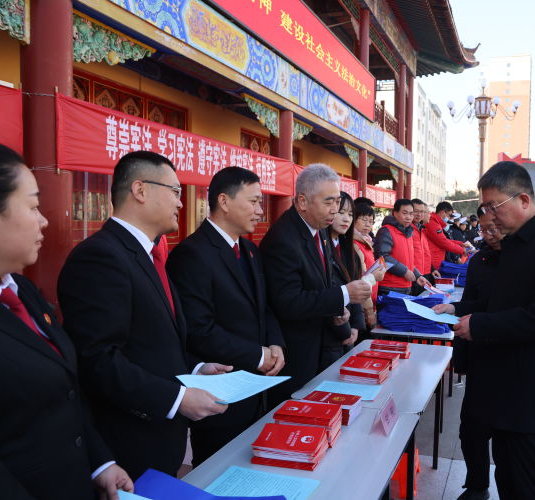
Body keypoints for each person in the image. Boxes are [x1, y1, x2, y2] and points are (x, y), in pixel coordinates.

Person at [58, 151, 231, 479]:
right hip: (127, 444)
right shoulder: (100, 257)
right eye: (175, 191)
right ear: (140, 190)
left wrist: (196, 368)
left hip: (161, 437)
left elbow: (153, 341)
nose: (181, 202)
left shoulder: (146, 254)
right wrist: (177, 398)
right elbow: (98, 359)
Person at [0, 141, 134, 499]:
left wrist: (100, 463)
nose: (44, 220)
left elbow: (65, 392)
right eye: (33, 206)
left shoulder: (23, 291)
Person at [452, 161, 535, 500]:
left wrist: (480, 325)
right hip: (508, 392)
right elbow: (504, 304)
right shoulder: (516, 244)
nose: (489, 217)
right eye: (485, 208)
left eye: (494, 206)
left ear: (523, 199)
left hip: (533, 396)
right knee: (510, 480)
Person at [166, 167, 286, 467]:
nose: (260, 211)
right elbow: (198, 329)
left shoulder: (250, 250)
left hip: (258, 391)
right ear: (224, 201)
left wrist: (275, 344)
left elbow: (264, 307)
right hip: (222, 399)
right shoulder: (192, 254)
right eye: (254, 201)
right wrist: (257, 355)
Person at [260, 164, 371, 402]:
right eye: (328, 202)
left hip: (322, 345)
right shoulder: (284, 238)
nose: (335, 210)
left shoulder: (319, 230)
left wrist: (337, 309)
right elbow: (288, 302)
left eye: (337, 202)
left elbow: (322, 284)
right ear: (302, 201)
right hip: (295, 353)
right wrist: (343, 295)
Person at [432, 205, 504, 500]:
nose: (488, 234)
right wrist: (452, 307)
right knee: (471, 428)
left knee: (507, 437)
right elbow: (473, 301)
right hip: (480, 354)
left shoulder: (522, 260)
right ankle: (476, 486)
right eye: (484, 229)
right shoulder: (480, 260)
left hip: (511, 357)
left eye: (493, 228)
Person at [328, 192, 384, 356]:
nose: (346, 219)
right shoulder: (326, 245)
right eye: (341, 212)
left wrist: (356, 324)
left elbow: (353, 283)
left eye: (350, 214)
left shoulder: (347, 246)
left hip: (350, 318)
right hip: (333, 322)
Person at [374, 198, 431, 295]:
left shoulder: (408, 232)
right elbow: (382, 257)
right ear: (395, 213)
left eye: (411, 214)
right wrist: (404, 271)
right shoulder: (386, 231)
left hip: (405, 286)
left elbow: (408, 262)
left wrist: (418, 276)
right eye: (405, 213)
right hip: (390, 287)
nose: (408, 217)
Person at [352, 201, 379, 330]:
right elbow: (361, 279)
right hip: (362, 305)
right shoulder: (355, 244)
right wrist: (369, 311)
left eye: (370, 221)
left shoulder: (366, 241)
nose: (368, 224)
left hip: (371, 298)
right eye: (364, 220)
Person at [426, 201, 468, 271]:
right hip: (433, 261)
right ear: (442, 212)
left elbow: (444, 240)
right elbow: (443, 242)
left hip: (436, 260)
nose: (449, 218)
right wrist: (461, 250)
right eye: (449, 215)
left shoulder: (436, 223)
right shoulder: (433, 223)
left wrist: (460, 244)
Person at [411, 199, 439, 295]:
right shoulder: (407, 230)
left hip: (425, 274)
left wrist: (432, 269)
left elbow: (425, 253)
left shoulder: (422, 229)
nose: (419, 214)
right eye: (416, 211)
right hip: (413, 275)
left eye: (422, 212)